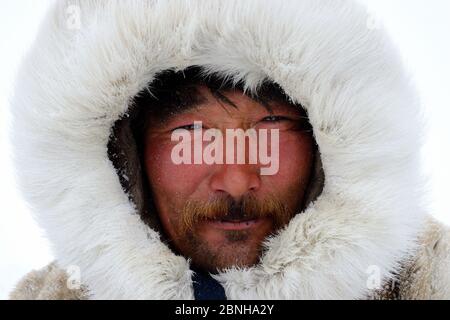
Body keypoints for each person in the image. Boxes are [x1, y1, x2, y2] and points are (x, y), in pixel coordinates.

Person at [10, 0, 449, 300]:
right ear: (126, 154)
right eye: (195, 132)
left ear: (329, 141)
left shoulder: (430, 279)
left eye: (272, 125)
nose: (238, 178)